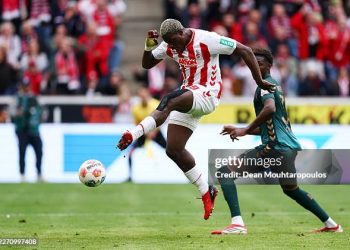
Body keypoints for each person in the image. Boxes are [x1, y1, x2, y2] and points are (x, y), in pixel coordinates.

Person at [117, 19, 275, 220]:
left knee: (168, 99)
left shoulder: (208, 39)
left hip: (208, 94)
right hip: (190, 96)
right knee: (173, 149)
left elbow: (245, 50)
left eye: (174, 42)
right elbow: (146, 64)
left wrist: (259, 81)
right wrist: (149, 46)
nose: (172, 47)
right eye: (169, 44)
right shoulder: (169, 43)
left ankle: (133, 133)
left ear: (182, 32)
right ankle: (206, 190)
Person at [211, 48, 342, 235]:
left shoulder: (265, 85)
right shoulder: (275, 85)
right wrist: (244, 131)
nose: (256, 65)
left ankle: (237, 224)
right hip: (287, 148)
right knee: (291, 189)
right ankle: (332, 224)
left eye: (260, 63)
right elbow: (271, 124)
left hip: (274, 147)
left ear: (269, 66)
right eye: (253, 62)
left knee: (225, 173)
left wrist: (245, 129)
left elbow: (270, 109)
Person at [127, 87, 167, 182]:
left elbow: (161, 120)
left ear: (148, 95)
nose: (143, 98)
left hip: (156, 132)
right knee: (130, 153)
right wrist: (145, 133)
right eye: (141, 96)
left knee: (171, 151)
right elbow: (137, 123)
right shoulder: (135, 108)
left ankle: (185, 173)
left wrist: (153, 132)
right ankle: (130, 176)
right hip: (143, 133)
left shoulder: (155, 104)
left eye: (144, 95)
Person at [12, 81, 43, 182]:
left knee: (39, 152)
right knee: (22, 152)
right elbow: (12, 114)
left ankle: (39, 174)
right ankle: (22, 175)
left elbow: (40, 112)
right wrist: (17, 114)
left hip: (33, 130)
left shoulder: (33, 98)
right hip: (22, 130)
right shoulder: (17, 99)